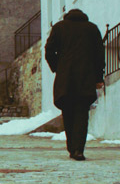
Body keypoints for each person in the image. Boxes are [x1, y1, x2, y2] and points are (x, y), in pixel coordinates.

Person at [44, 9, 105, 161]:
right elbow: (99, 55)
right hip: (85, 77)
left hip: (65, 79)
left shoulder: (59, 28)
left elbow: (49, 50)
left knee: (68, 113)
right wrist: (98, 77)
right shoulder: (92, 29)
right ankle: (78, 149)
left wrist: (58, 67)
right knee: (82, 115)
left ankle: (72, 147)